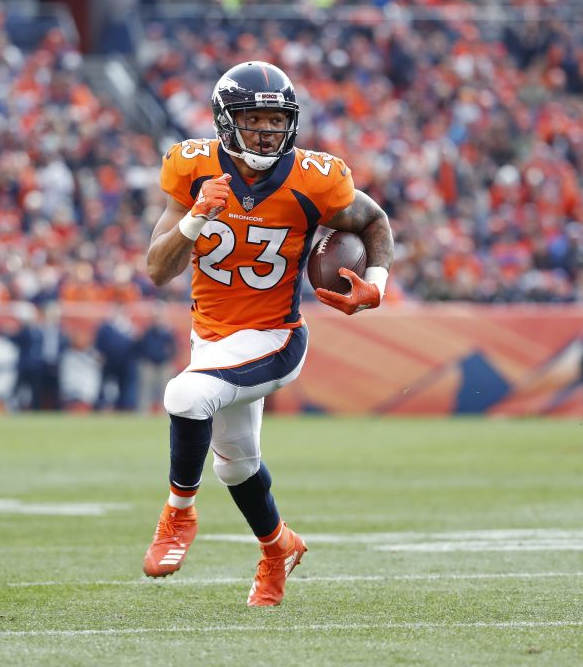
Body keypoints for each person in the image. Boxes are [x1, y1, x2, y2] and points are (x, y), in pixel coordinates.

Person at [141, 61, 394, 606]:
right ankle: (279, 547)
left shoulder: (314, 178)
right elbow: (159, 269)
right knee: (236, 464)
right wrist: (193, 219)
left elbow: (374, 221)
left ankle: (178, 516)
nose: (266, 132)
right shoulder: (192, 169)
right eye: (252, 120)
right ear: (225, 122)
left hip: (275, 336)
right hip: (211, 337)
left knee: (184, 395)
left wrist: (375, 283)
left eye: (275, 121)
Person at [94, 303, 139, 411]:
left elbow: (136, 347)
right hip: (109, 363)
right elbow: (99, 345)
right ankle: (104, 406)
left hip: (126, 364)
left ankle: (124, 407)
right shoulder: (106, 327)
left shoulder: (130, 328)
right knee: (107, 387)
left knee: (125, 387)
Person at [136, 302, 178, 413]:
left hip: (164, 363)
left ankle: (165, 413)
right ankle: (143, 413)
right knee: (146, 390)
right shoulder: (148, 331)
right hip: (149, 363)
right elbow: (141, 346)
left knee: (165, 390)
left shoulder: (167, 332)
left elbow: (173, 348)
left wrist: (168, 358)